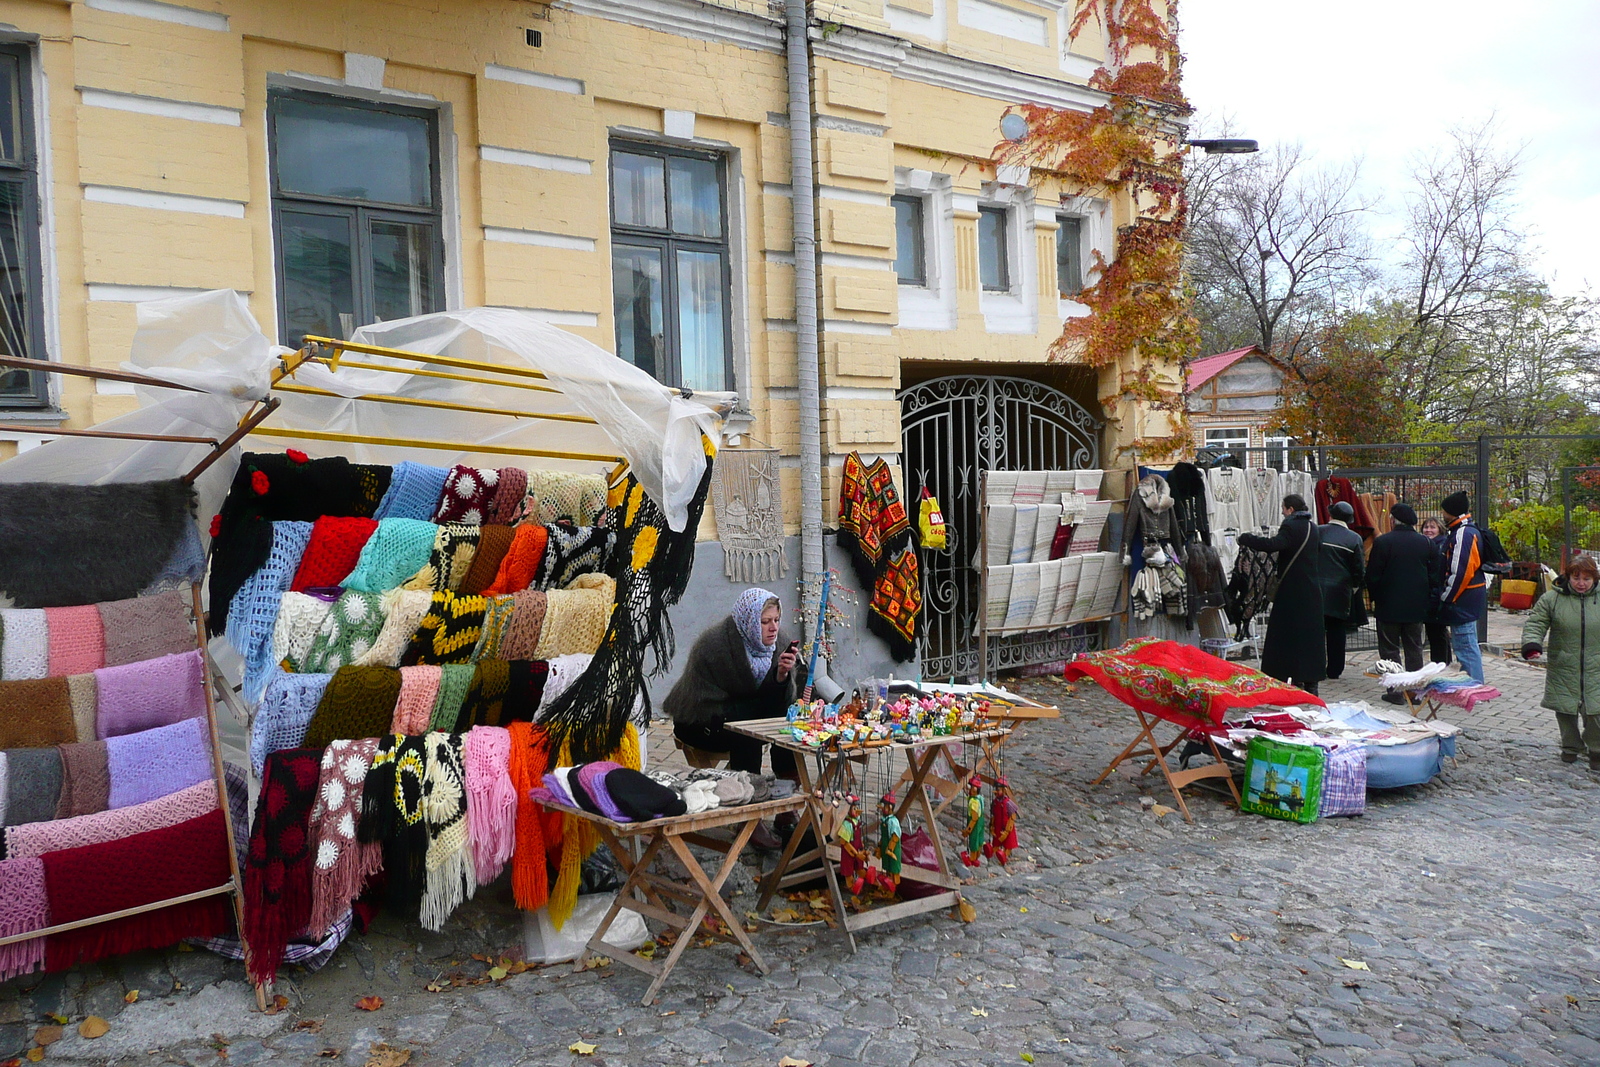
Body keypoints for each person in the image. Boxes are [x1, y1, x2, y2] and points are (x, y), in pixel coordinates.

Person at [663, 587, 799, 849]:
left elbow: (773, 702)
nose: (773, 628)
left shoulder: (779, 643)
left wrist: (781, 676)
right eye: (764, 622)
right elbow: (714, 702)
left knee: (785, 726)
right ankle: (748, 817)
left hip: (744, 712)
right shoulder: (716, 645)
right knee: (747, 734)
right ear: (749, 621)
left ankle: (785, 804)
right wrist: (764, 703)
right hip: (700, 718)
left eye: (776, 620)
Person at [1238, 494, 1325, 695]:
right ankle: (1310, 682)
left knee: (1287, 635)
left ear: (1291, 510)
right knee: (1309, 637)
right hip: (1311, 589)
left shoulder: (1291, 526)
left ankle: (1289, 678)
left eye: (1283, 508)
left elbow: (1273, 545)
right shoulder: (1314, 528)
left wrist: (1247, 539)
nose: (1282, 512)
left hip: (1291, 590)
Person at [1521, 555, 1600, 768]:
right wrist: (1531, 644)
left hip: (1596, 665)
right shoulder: (1552, 599)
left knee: (1596, 711)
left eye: (1586, 579)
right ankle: (1570, 746)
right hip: (1564, 662)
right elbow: (1536, 623)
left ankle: (1596, 749)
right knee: (1565, 709)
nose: (1581, 583)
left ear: (1595, 579)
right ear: (1568, 577)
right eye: (1576, 578)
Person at [1366, 503, 1443, 691]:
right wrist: (1428, 599)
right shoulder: (1426, 543)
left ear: (1393, 520)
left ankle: (1394, 691)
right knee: (1414, 648)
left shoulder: (1383, 542)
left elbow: (1373, 575)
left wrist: (1376, 598)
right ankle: (1414, 689)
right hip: (1416, 606)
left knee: (1389, 650)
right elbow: (1435, 576)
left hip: (1388, 606)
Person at [1438, 492, 1487, 683]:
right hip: (1469, 597)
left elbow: (1461, 571)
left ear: (1450, 511)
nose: (1442, 513)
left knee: (1465, 646)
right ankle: (1473, 685)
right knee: (1467, 644)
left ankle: (1474, 688)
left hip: (1463, 599)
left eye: (1444, 510)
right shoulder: (1467, 530)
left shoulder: (1463, 534)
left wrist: (1447, 596)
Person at [1317, 500, 1367, 680]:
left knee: (1316, 630)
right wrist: (1353, 587)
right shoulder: (1354, 538)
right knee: (1337, 631)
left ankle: (1316, 666)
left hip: (1316, 588)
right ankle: (1335, 670)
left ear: (1331, 514)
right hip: (1340, 590)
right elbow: (1358, 569)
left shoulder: (1318, 531)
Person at [1419, 517, 1453, 664]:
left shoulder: (1441, 546)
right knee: (1438, 634)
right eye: (1426, 527)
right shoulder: (1426, 545)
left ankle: (1440, 665)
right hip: (1431, 595)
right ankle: (1445, 663)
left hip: (1436, 595)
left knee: (1436, 634)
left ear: (1440, 529)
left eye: (1432, 527)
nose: (1428, 530)